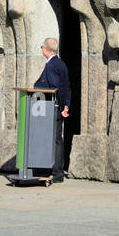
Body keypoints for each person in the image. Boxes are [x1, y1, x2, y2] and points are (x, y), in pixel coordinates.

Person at [34, 37, 70, 181]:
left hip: (51, 107)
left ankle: (56, 172)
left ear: (47, 50)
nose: (41, 49)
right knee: (56, 139)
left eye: (42, 47)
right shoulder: (60, 63)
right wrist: (66, 105)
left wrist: (61, 106)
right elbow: (66, 87)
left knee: (54, 140)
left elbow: (55, 87)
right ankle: (55, 171)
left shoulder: (52, 65)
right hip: (56, 107)